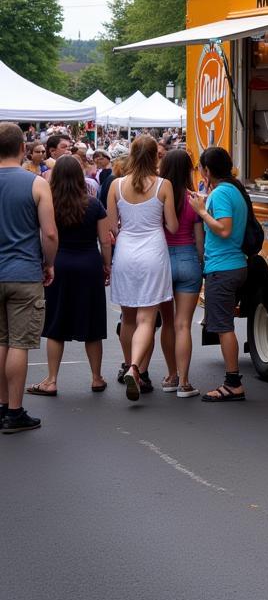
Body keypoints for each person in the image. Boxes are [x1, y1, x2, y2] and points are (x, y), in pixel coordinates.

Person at [27, 155, 111, 396]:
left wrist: (45, 263)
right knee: (93, 322)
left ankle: (51, 379)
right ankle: (96, 377)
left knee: (56, 323)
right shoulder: (94, 204)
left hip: (60, 263)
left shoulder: (49, 204)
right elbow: (105, 240)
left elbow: (44, 235)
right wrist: (107, 265)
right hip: (89, 264)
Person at [107, 134, 178, 403]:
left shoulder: (116, 185)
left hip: (125, 252)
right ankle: (137, 367)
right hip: (153, 253)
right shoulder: (164, 185)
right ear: (156, 156)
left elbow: (113, 226)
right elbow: (171, 225)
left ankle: (128, 364)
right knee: (147, 318)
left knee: (127, 318)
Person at [0, 122, 58, 434]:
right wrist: (49, 263)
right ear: (24, 148)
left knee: (0, 341)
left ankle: (0, 405)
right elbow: (49, 232)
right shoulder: (37, 184)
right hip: (23, 272)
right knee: (18, 344)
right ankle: (14, 411)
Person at [188, 146, 250, 402]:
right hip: (233, 265)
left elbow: (224, 229)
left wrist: (201, 212)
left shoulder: (222, 193)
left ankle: (232, 382)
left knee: (224, 327)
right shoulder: (232, 189)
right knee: (224, 325)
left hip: (223, 268)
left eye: (201, 168)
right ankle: (232, 380)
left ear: (208, 170)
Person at [156, 148, 204, 398]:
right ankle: (185, 383)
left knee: (167, 324)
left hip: (162, 261)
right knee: (183, 324)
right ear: (188, 170)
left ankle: (171, 375)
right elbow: (199, 242)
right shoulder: (192, 199)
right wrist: (200, 264)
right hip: (187, 259)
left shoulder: (158, 197)